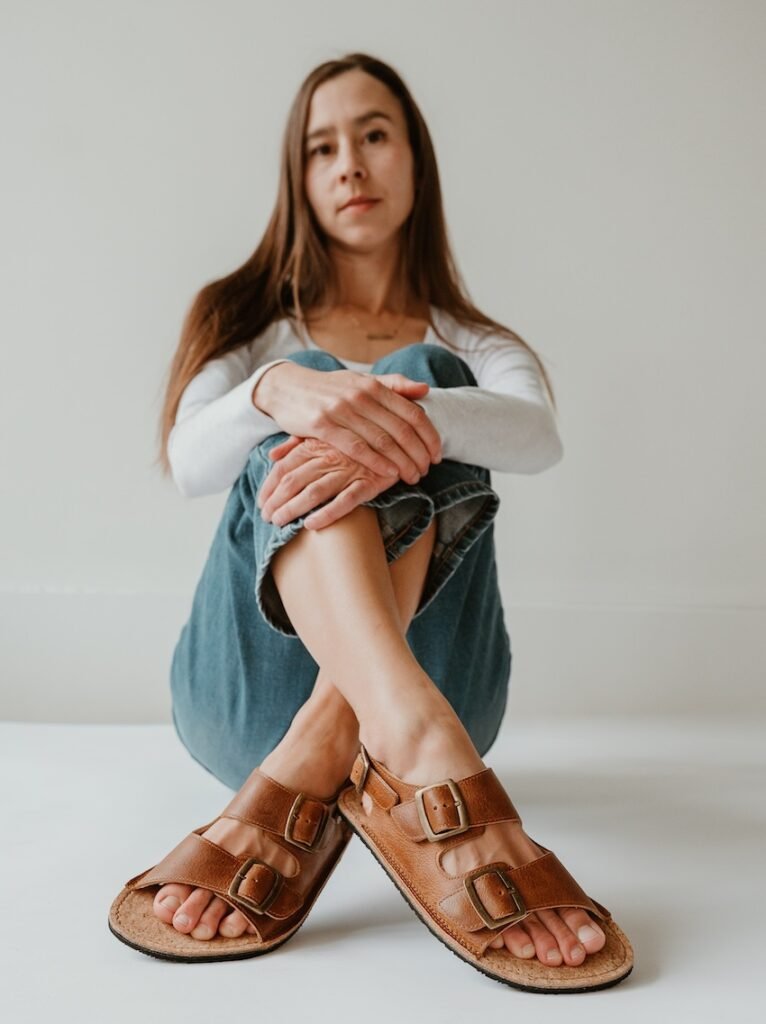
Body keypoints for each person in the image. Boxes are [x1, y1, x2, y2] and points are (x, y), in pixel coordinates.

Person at [108, 52, 633, 993]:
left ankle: (337, 743)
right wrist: (288, 390)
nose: (350, 164)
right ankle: (408, 733)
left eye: (375, 135)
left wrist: (403, 418)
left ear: (416, 164)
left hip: (449, 684)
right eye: (323, 148)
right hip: (247, 703)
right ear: (300, 180)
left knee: (428, 377)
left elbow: (539, 438)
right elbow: (190, 462)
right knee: (312, 404)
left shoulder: (476, 340)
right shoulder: (246, 320)